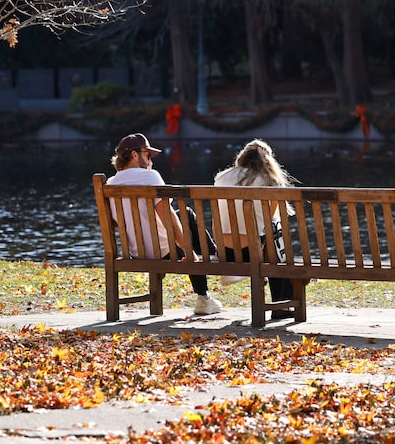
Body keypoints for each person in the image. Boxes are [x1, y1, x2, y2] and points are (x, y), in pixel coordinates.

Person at [106, 133, 223, 315]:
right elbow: (168, 218)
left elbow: (116, 222)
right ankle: (205, 292)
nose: (150, 159)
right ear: (135, 155)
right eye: (148, 154)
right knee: (186, 216)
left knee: (185, 216)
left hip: (136, 252)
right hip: (163, 251)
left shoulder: (111, 183)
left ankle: (212, 265)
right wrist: (188, 251)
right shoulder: (150, 177)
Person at [213, 138, 297, 320]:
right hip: (253, 251)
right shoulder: (269, 180)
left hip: (225, 250)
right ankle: (281, 304)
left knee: (270, 235)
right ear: (268, 161)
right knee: (276, 234)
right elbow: (270, 219)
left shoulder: (221, 177)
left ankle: (280, 303)